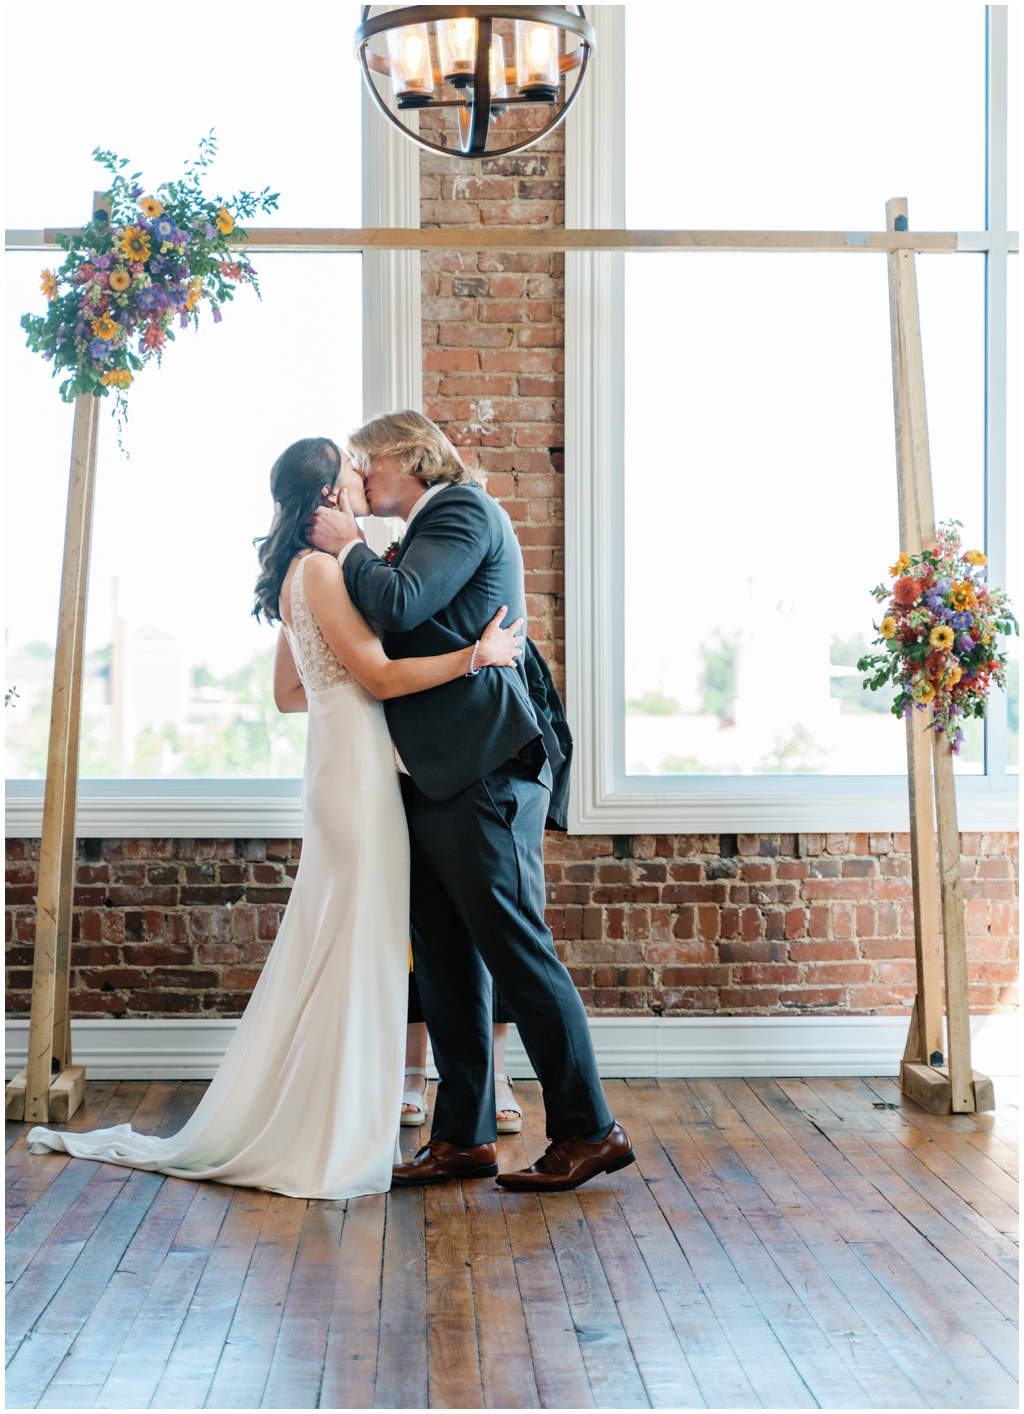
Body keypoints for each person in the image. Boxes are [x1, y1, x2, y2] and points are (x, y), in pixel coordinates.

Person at [26, 437, 523, 1200]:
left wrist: (341, 698)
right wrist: (476, 657)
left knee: (342, 942)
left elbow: (291, 693)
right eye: (350, 468)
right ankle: (334, 1130)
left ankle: (345, 1111)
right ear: (328, 495)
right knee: (361, 947)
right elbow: (384, 676)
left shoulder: (297, 575)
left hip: (331, 767)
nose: (362, 473)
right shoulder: (326, 570)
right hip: (357, 776)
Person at [308, 410, 634, 1193]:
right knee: (450, 964)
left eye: (366, 461)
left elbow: (398, 606)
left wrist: (349, 547)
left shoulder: (461, 509)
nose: (360, 475)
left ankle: (589, 1129)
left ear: (405, 457)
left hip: (484, 770)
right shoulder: (417, 530)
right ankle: (462, 1138)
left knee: (517, 949)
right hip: (433, 774)